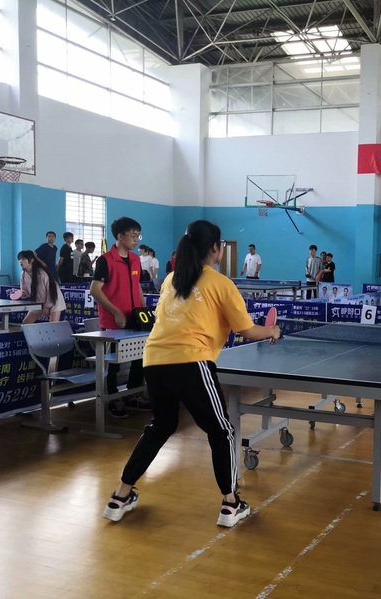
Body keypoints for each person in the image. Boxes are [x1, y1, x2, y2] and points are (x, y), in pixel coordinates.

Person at [102, 219, 281, 528]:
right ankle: (231, 504)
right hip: (191, 361)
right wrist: (273, 330)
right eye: (220, 245)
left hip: (154, 361)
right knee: (222, 431)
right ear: (215, 249)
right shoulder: (221, 283)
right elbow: (247, 330)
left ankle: (120, 496)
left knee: (161, 426)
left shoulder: (171, 279)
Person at [91, 217, 149, 419]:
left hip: (134, 319)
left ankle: (133, 394)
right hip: (113, 322)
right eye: (133, 236)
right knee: (113, 364)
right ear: (120, 236)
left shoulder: (135, 259)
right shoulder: (105, 260)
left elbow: (137, 285)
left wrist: (143, 309)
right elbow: (95, 290)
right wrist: (116, 311)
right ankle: (113, 399)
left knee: (140, 358)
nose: (136, 240)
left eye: (138, 235)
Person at [16, 250, 66, 324]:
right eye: (19, 259)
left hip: (54, 299)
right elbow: (25, 291)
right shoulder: (23, 274)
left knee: (52, 326)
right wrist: (21, 293)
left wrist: (47, 307)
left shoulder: (41, 274)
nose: (20, 261)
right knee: (26, 323)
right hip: (39, 302)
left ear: (32, 260)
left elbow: (49, 291)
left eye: (23, 259)